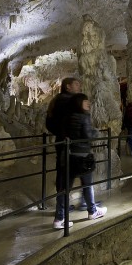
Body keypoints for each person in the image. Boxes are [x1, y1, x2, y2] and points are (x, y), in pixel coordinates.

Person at [55, 93, 106, 226]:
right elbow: (88, 136)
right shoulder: (84, 117)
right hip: (82, 156)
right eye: (85, 101)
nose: (88, 103)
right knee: (88, 185)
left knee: (65, 188)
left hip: (67, 156)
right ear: (79, 103)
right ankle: (92, 211)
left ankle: (59, 218)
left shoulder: (66, 117)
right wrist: (96, 132)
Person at [46, 77, 80, 229]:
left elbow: (49, 123)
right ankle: (60, 217)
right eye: (76, 84)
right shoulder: (68, 102)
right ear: (68, 87)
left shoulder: (57, 101)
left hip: (62, 142)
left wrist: (60, 134)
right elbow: (73, 122)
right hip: (68, 145)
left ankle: (64, 208)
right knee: (66, 179)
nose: (79, 86)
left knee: (64, 177)